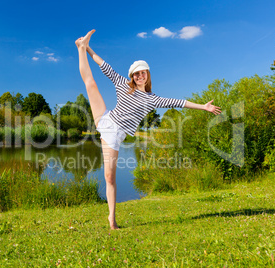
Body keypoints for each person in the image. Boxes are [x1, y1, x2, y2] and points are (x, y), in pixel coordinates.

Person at [75, 29, 221, 230]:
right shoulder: (123, 84)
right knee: (90, 84)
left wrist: (203, 106)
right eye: (136, 73)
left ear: (147, 75)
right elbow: (104, 66)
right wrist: (89, 49)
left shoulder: (153, 99)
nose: (139, 75)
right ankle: (80, 48)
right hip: (106, 119)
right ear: (132, 77)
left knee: (110, 177)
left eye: (142, 72)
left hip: (114, 135)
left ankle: (112, 219)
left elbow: (179, 102)